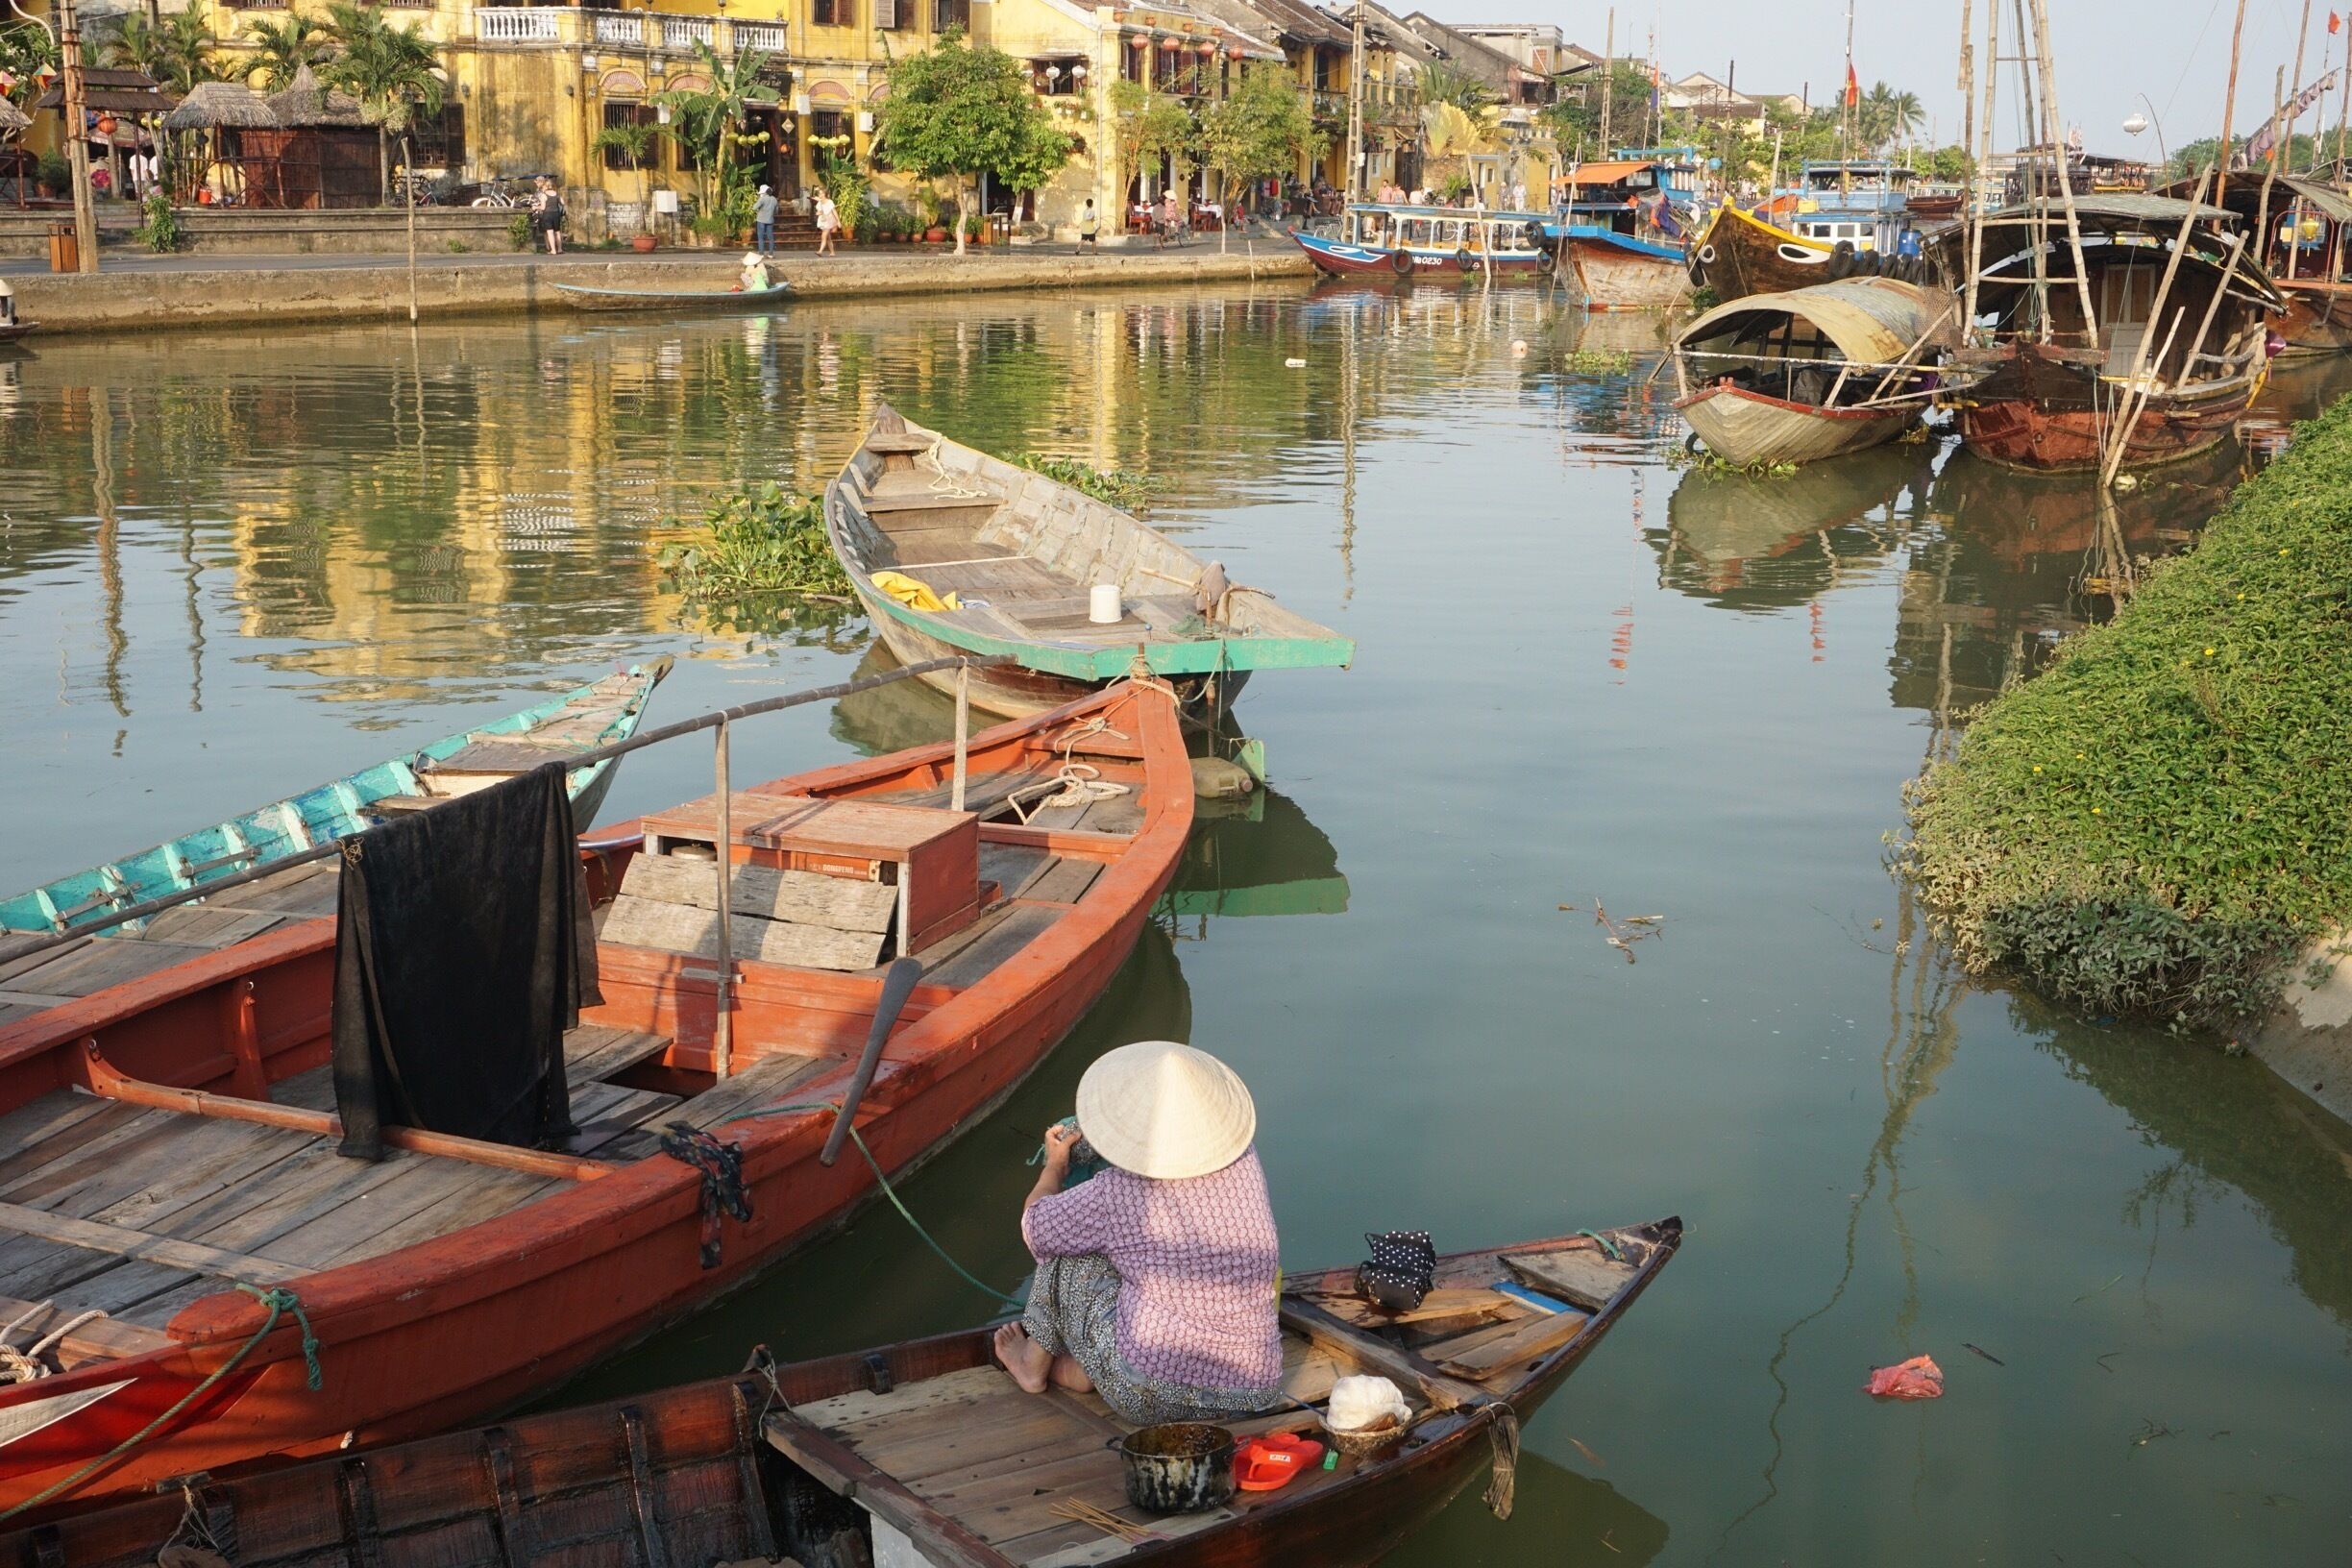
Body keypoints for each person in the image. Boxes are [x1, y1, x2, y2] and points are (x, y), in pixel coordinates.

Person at [993, 1041, 1283, 1427]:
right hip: (1253, 1392)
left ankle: (1034, 1365)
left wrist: (1056, 1167)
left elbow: (1036, 1226)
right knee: (1125, 1249)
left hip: (1148, 1394)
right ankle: (1085, 1369)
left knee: (1066, 1247)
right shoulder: (1245, 1159)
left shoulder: (1118, 1191)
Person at [532, 177, 565, 255]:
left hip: (548, 215)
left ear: (546, 186)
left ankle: (553, 250)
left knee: (550, 232)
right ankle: (560, 249)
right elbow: (563, 203)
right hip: (556, 214)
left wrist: (535, 207)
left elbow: (543, 208)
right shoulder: (557, 193)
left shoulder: (544, 195)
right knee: (557, 232)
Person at [753, 184, 778, 252]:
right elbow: (776, 211)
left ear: (764, 192)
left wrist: (759, 200)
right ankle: (771, 254)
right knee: (770, 237)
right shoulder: (774, 199)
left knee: (761, 237)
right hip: (770, 220)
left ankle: (761, 253)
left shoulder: (762, 199)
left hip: (761, 220)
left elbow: (754, 208)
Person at [814, 187, 839, 256]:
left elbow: (834, 211)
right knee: (828, 238)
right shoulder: (820, 202)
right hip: (824, 221)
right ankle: (832, 252)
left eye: (821, 193)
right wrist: (818, 213)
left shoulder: (829, 202)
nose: (820, 195)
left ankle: (820, 251)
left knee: (824, 236)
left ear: (825, 194)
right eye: (819, 193)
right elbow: (820, 211)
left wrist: (838, 221)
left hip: (829, 221)